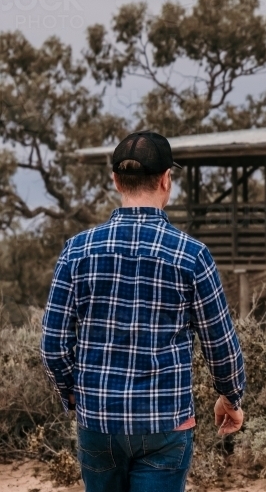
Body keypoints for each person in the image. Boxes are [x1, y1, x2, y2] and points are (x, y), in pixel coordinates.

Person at [40, 130, 246, 492]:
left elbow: (53, 344)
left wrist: (72, 393)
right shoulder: (192, 255)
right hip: (165, 423)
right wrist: (231, 397)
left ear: (116, 180)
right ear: (167, 180)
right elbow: (220, 344)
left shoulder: (76, 251)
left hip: (98, 422)